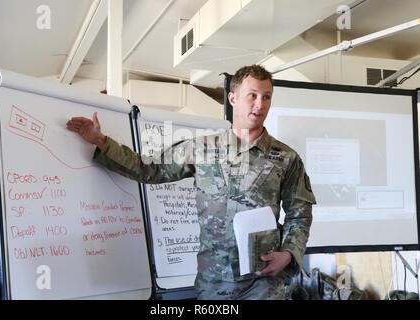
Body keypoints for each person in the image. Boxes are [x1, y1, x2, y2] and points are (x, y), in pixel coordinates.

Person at [66, 64, 316, 300]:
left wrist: (288, 254)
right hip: (214, 281)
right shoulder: (202, 149)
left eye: (267, 97)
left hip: (265, 283)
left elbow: (300, 214)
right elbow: (148, 170)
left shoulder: (286, 158)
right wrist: (101, 141)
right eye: (252, 95)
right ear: (233, 99)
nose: (260, 104)